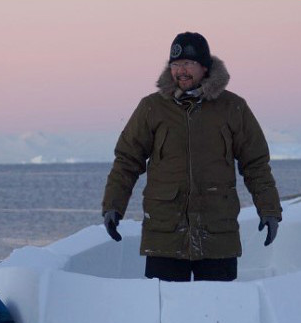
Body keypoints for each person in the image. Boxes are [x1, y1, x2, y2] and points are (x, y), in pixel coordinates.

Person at [101, 32, 282, 282]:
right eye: (175, 65)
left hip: (217, 235)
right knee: (167, 315)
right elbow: (126, 161)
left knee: (217, 315)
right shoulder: (151, 108)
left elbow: (256, 164)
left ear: (205, 67)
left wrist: (269, 209)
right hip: (165, 236)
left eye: (188, 64)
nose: (180, 71)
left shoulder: (233, 107)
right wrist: (113, 206)